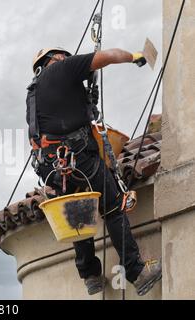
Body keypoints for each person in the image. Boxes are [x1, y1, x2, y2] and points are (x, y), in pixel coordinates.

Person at [26, 47, 161, 296]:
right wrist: (134, 56)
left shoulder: (33, 93)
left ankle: (90, 276)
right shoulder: (62, 68)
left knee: (78, 213)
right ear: (53, 59)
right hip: (78, 157)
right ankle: (137, 273)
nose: (67, 58)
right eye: (63, 56)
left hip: (52, 167)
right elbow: (107, 57)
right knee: (113, 208)